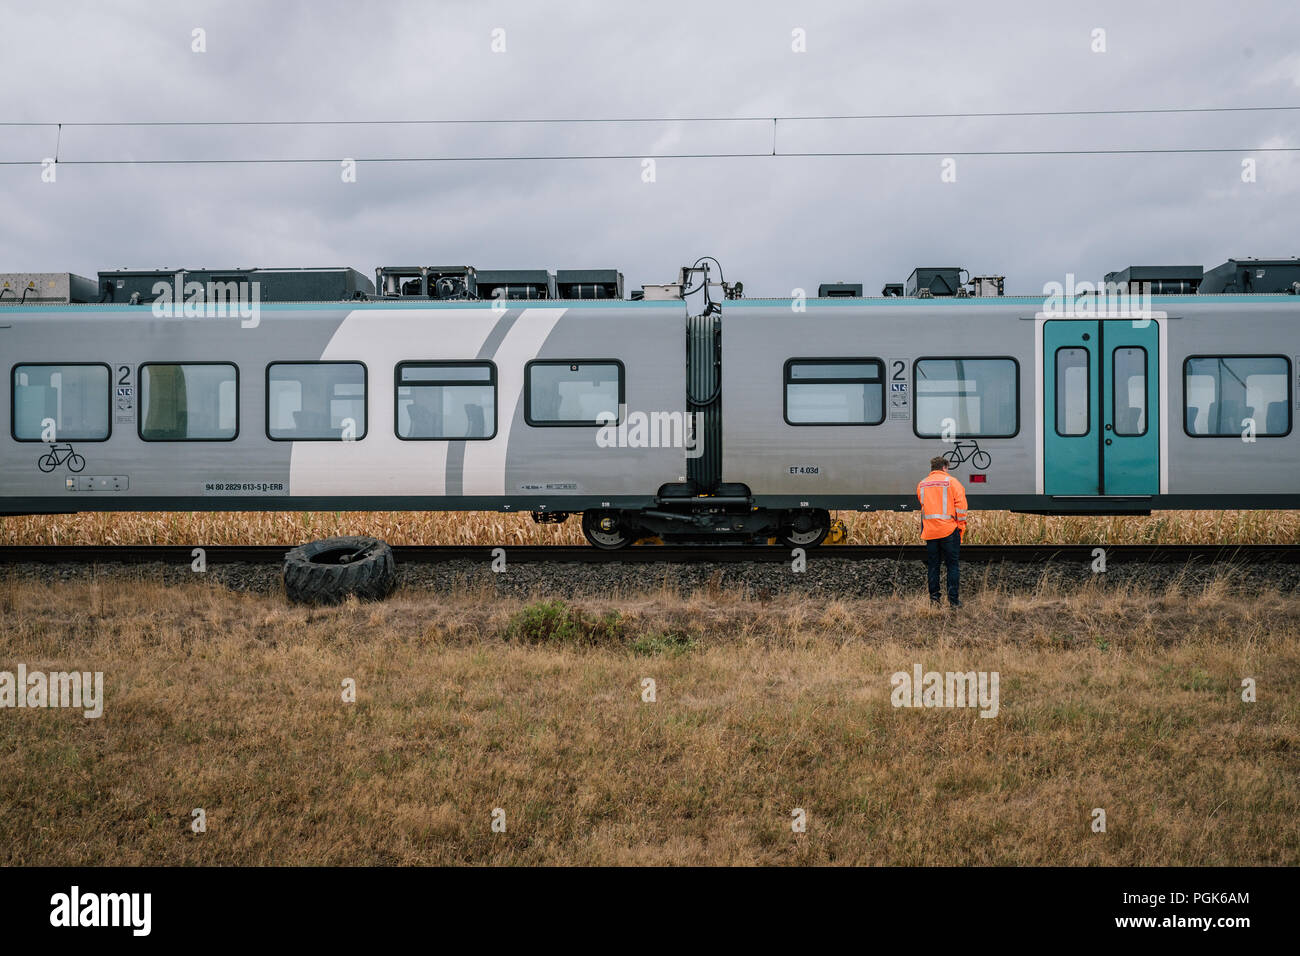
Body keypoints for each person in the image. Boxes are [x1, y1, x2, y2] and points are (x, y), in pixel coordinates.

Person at [917, 455, 968, 608]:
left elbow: (923, 505)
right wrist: (960, 527)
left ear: (932, 468)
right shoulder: (952, 482)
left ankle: (934, 600)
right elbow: (961, 508)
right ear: (945, 467)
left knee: (933, 565)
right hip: (948, 530)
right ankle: (953, 601)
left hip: (930, 531)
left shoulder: (922, 484)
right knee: (952, 565)